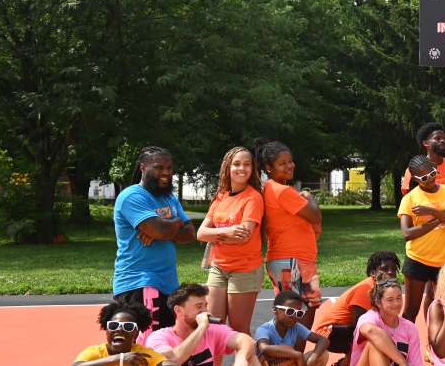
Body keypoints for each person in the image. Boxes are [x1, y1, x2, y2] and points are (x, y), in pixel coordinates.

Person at [113, 146, 195, 339]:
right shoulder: (132, 196)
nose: (166, 172)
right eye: (159, 167)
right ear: (143, 167)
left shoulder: (168, 197)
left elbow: (190, 234)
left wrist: (165, 228)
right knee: (144, 345)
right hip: (140, 283)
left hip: (167, 284)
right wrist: (172, 225)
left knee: (164, 345)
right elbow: (161, 230)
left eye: (169, 167)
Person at [196, 146, 264, 334]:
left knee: (238, 330)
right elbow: (200, 234)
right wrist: (229, 231)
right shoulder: (221, 197)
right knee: (213, 328)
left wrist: (215, 234)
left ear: (253, 169)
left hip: (245, 269)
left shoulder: (253, 198)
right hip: (219, 267)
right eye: (236, 164)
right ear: (228, 167)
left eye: (247, 164)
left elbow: (242, 237)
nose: (242, 168)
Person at [257, 140, 323, 327]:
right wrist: (310, 197)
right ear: (269, 168)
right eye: (282, 163)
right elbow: (315, 215)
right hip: (294, 261)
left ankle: (287, 354)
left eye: (290, 161)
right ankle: (293, 355)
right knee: (301, 313)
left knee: (291, 312)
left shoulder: (270, 188)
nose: (290, 166)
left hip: (286, 259)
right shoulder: (283, 191)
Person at [398, 154, 445, 322]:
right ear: (416, 179)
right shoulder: (410, 198)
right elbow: (407, 233)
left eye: (433, 173)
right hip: (418, 259)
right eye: (424, 177)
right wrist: (441, 217)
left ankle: (436, 346)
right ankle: (404, 347)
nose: (431, 179)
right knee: (410, 311)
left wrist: (432, 212)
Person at [313, 251, 401, 362]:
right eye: (385, 268)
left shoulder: (382, 289)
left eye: (394, 269)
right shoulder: (367, 288)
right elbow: (358, 326)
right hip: (328, 333)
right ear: (373, 272)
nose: (390, 272)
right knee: (372, 337)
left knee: (378, 336)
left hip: (344, 328)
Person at [145, 284, 258, 366]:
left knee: (250, 358)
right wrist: (202, 327)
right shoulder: (158, 337)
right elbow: (174, 359)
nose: (205, 311)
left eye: (205, 305)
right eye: (199, 306)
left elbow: (246, 340)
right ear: (178, 310)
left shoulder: (212, 330)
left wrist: (241, 359)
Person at [400, 122, 445, 259]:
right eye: (437, 138)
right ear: (426, 143)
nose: (442, 141)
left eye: (444, 138)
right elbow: (410, 207)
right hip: (428, 238)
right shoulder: (412, 171)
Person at [74, 301, 176, 366]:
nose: (119, 330)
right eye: (113, 326)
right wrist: (119, 358)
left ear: (135, 333)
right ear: (106, 330)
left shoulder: (141, 355)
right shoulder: (96, 352)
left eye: (128, 327)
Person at [352, 278, 423, 366]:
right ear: (378, 302)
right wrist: (402, 362)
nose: (396, 303)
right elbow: (370, 330)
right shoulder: (370, 317)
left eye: (399, 298)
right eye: (390, 300)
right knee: (375, 344)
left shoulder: (410, 328)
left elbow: (415, 363)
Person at [255, 291, 331, 366]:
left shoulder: (296, 327)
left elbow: (323, 340)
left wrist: (313, 359)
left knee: (323, 355)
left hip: (290, 362)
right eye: (290, 311)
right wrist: (296, 354)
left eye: (299, 313)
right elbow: (264, 348)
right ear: (275, 310)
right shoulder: (264, 329)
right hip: (272, 363)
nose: (294, 316)